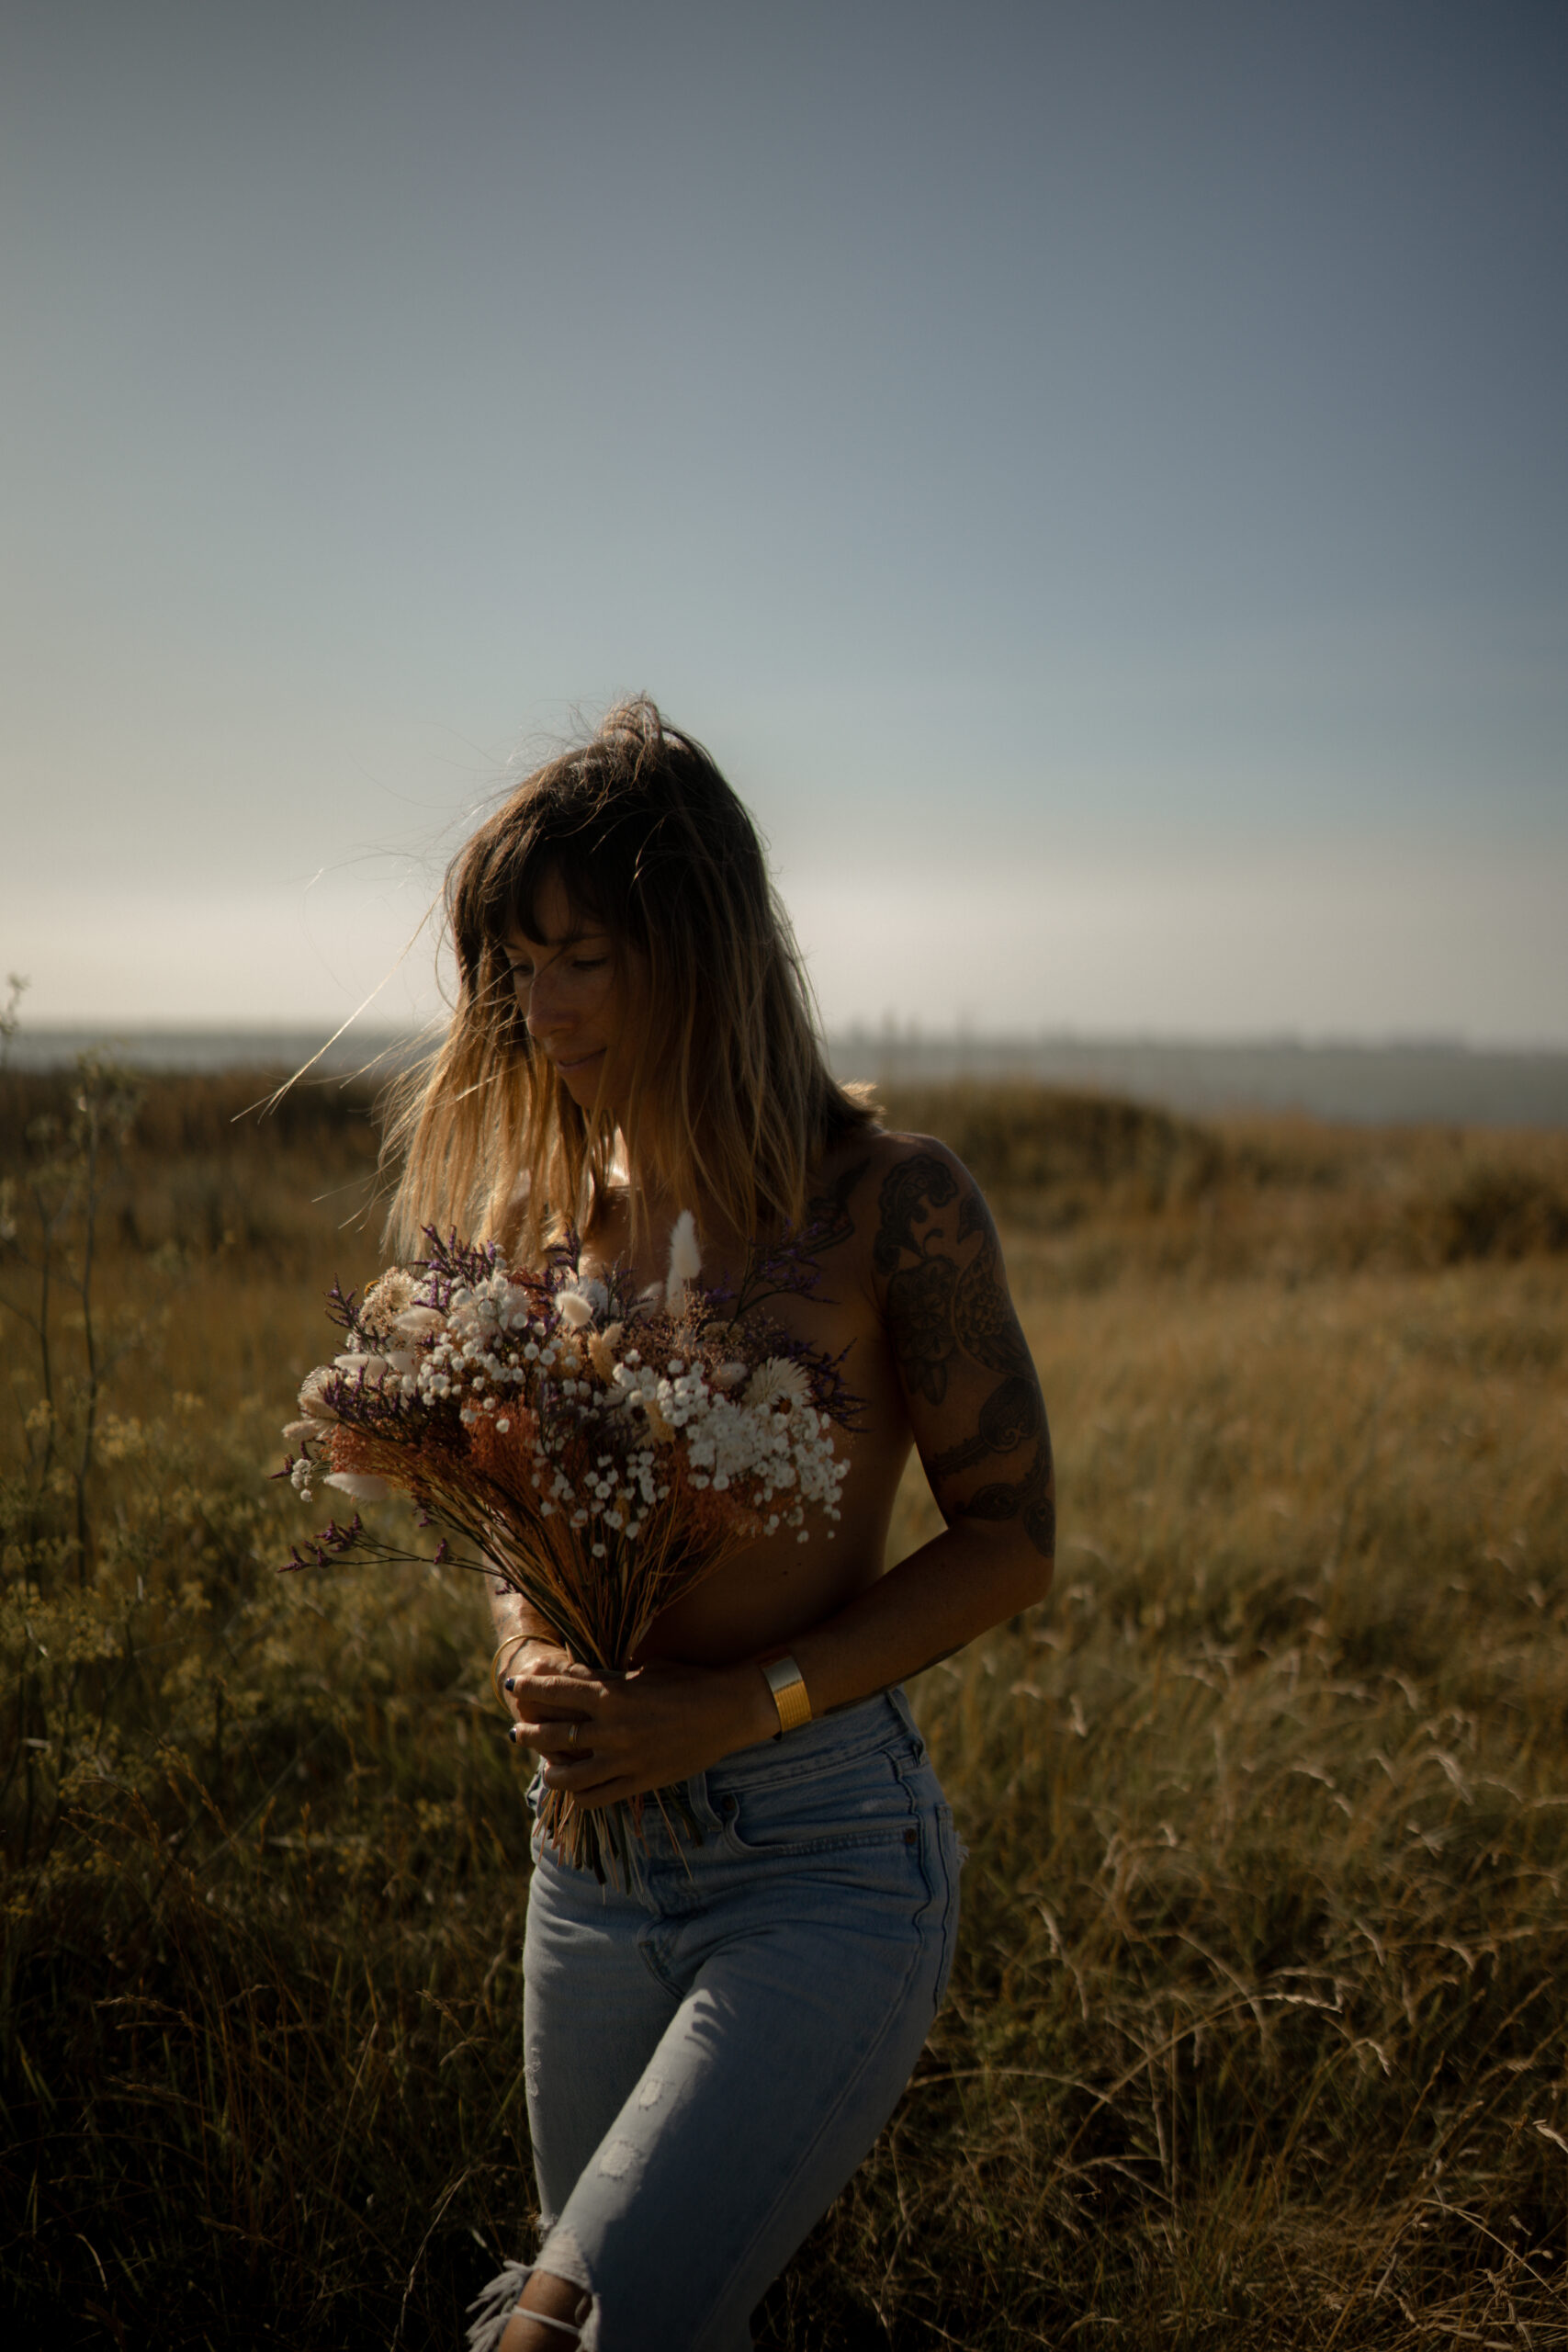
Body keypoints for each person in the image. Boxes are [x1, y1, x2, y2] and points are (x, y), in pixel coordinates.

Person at [383, 701, 1055, 2352]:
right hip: (590, 1862)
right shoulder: (547, 1235)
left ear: (698, 950)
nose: (537, 1007)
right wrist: (531, 1639)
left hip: (820, 1862)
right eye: (514, 968)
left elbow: (1013, 1537)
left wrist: (739, 1708)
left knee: (572, 2333)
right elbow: (504, 1521)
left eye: (582, 957)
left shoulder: (892, 1203)